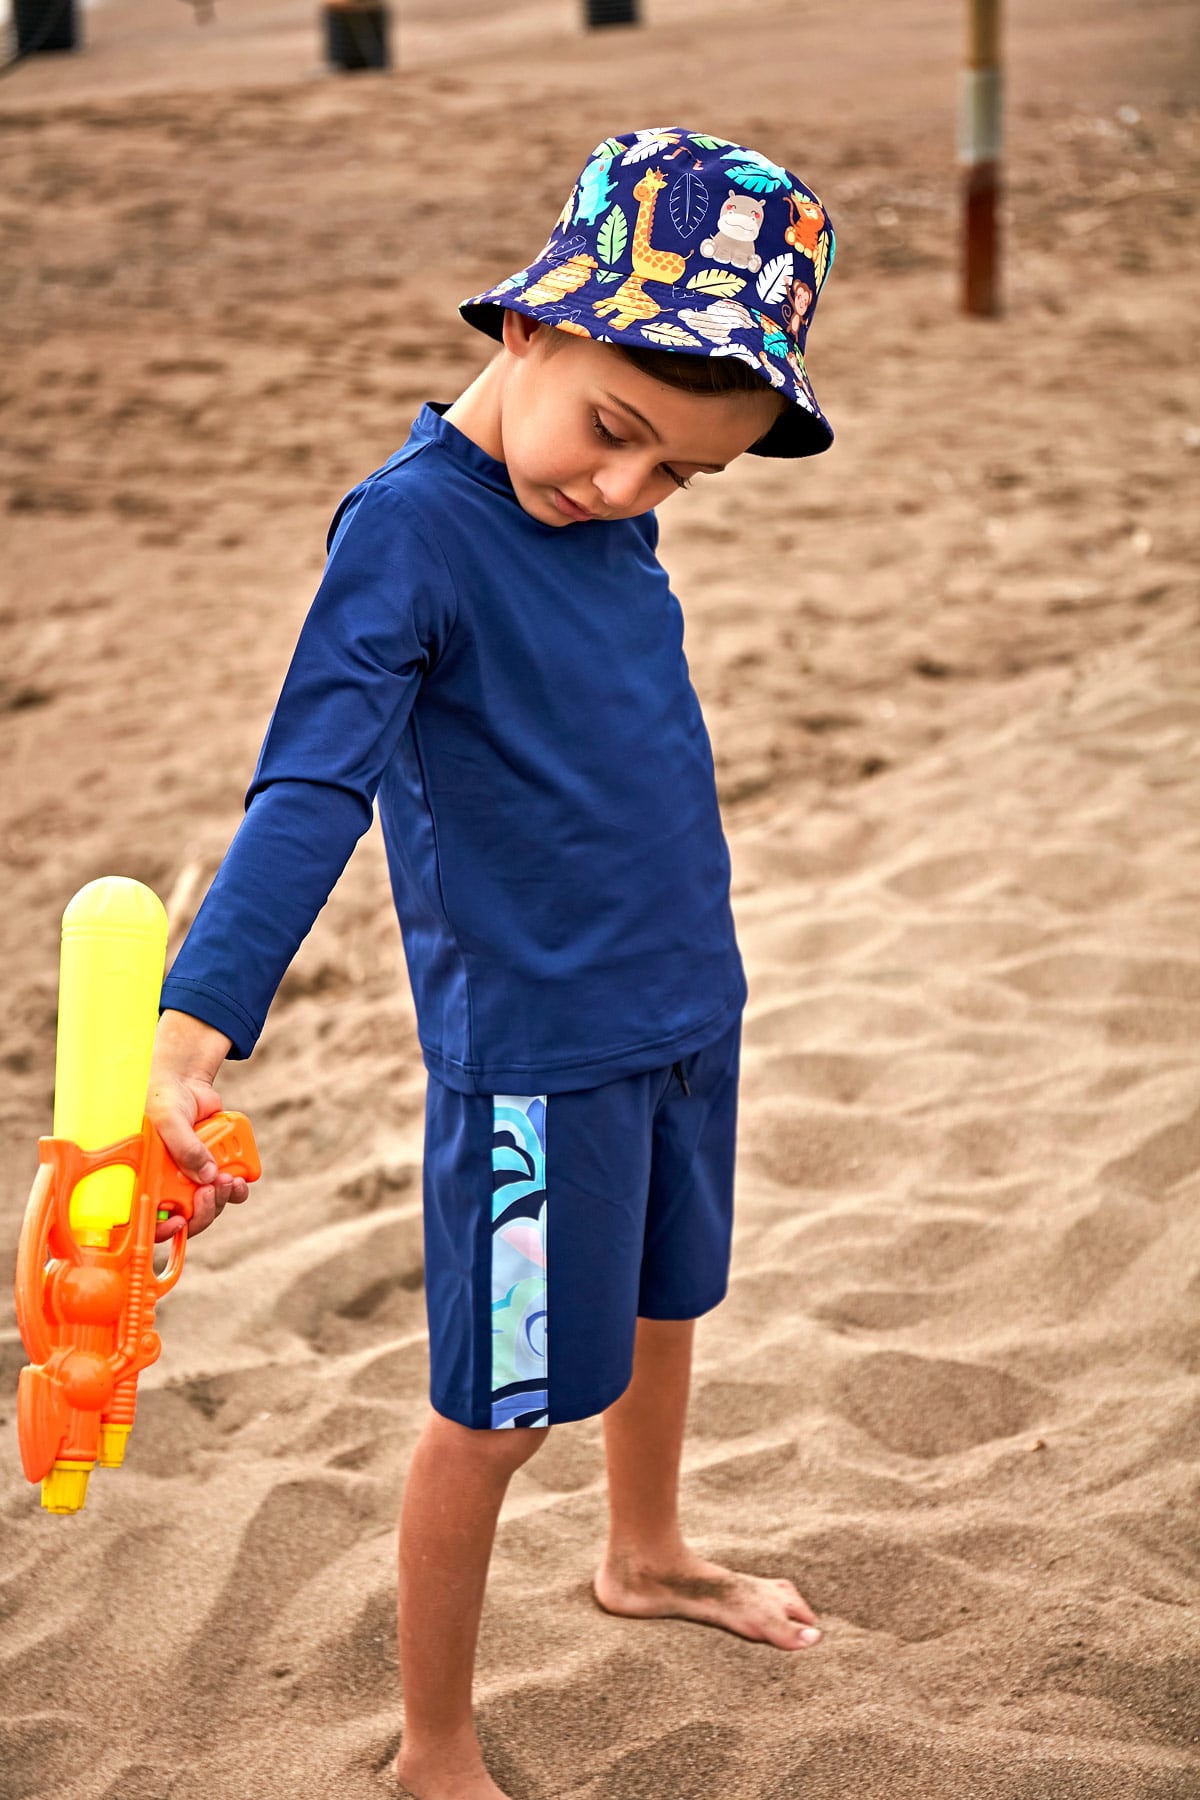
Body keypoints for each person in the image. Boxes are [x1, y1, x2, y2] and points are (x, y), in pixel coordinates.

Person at [146, 123, 837, 1800]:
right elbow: (312, 784)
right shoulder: (411, 533)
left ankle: (647, 1552)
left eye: (679, 473)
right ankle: (435, 1746)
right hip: (535, 1051)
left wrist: (692, 979)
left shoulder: (595, 501)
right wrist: (193, 1027)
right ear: (529, 326)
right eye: (616, 432)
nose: (624, 491)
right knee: (504, 1403)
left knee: (675, 1298)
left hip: (687, 1004)